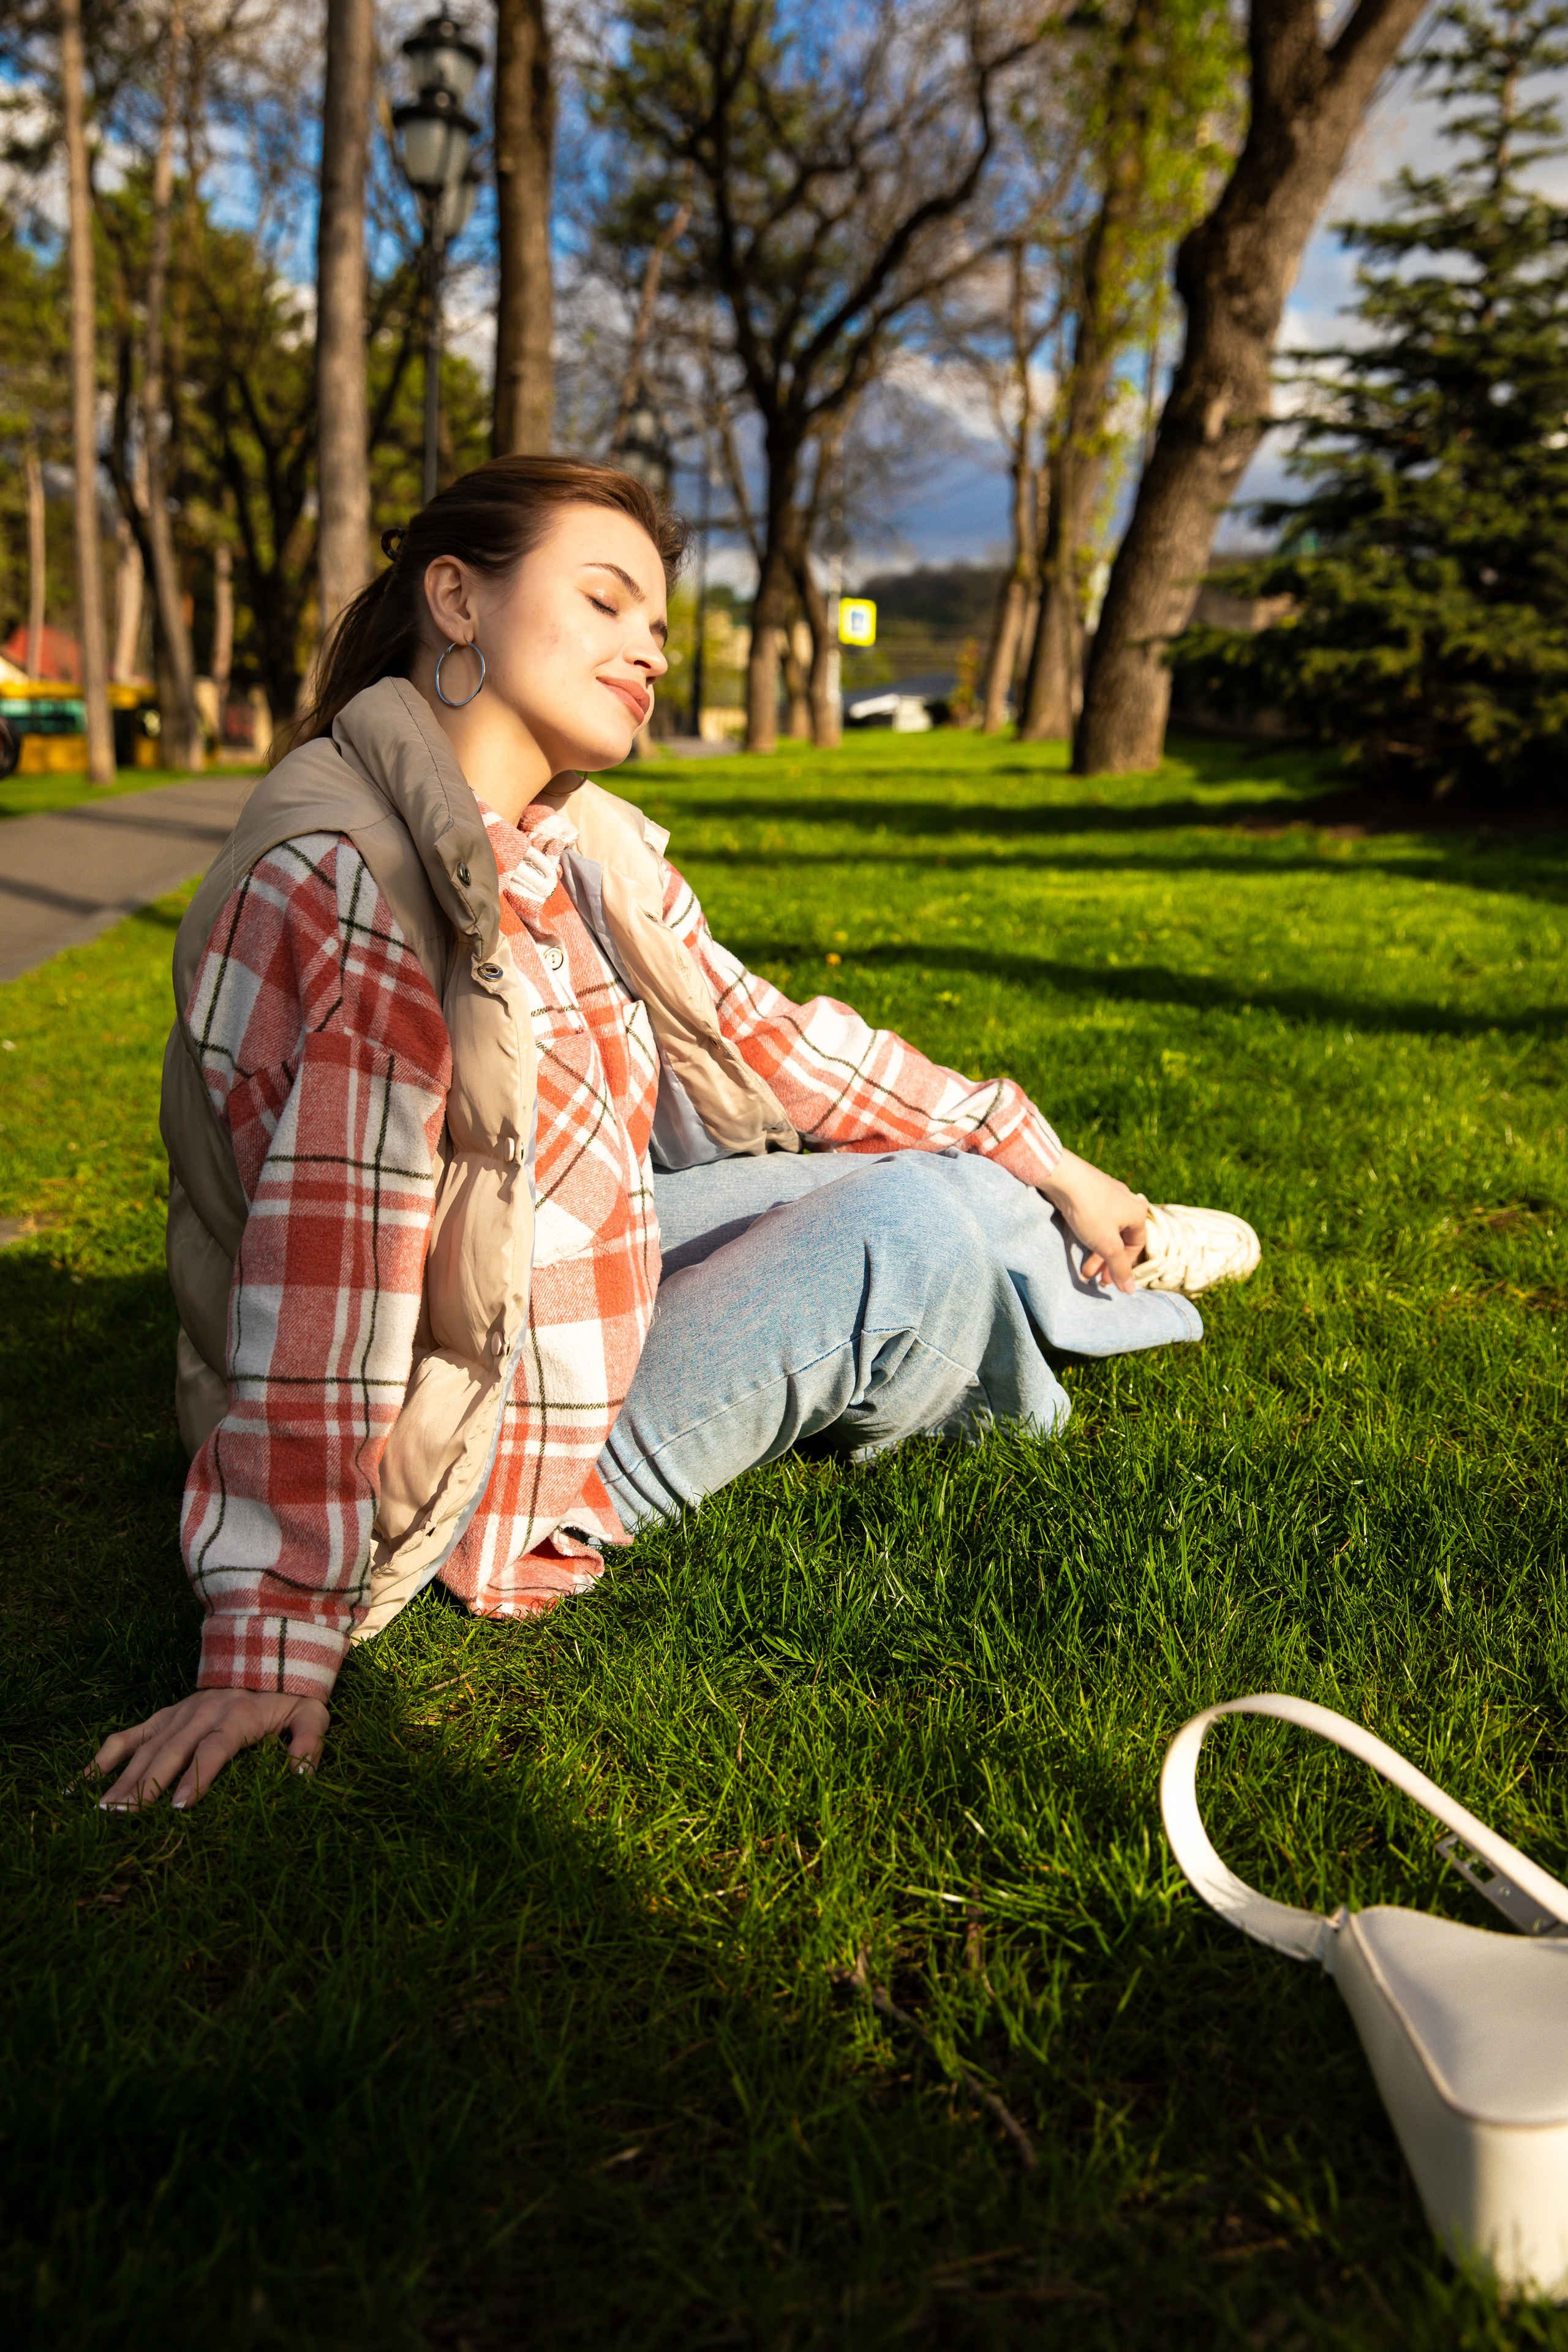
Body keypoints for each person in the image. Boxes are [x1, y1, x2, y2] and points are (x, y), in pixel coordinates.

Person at [89, 456, 1258, 1812]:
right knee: (907, 1228)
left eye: (655, 620)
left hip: (565, 1291)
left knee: (936, 1166)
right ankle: (1052, 1355)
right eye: (605, 602)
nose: (650, 647)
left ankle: (1099, 1242)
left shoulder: (568, 842)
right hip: (476, 1448)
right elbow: (328, 1291)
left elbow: (773, 1042)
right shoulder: (363, 884)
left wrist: (1047, 1155)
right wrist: (274, 1634)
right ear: (456, 600)